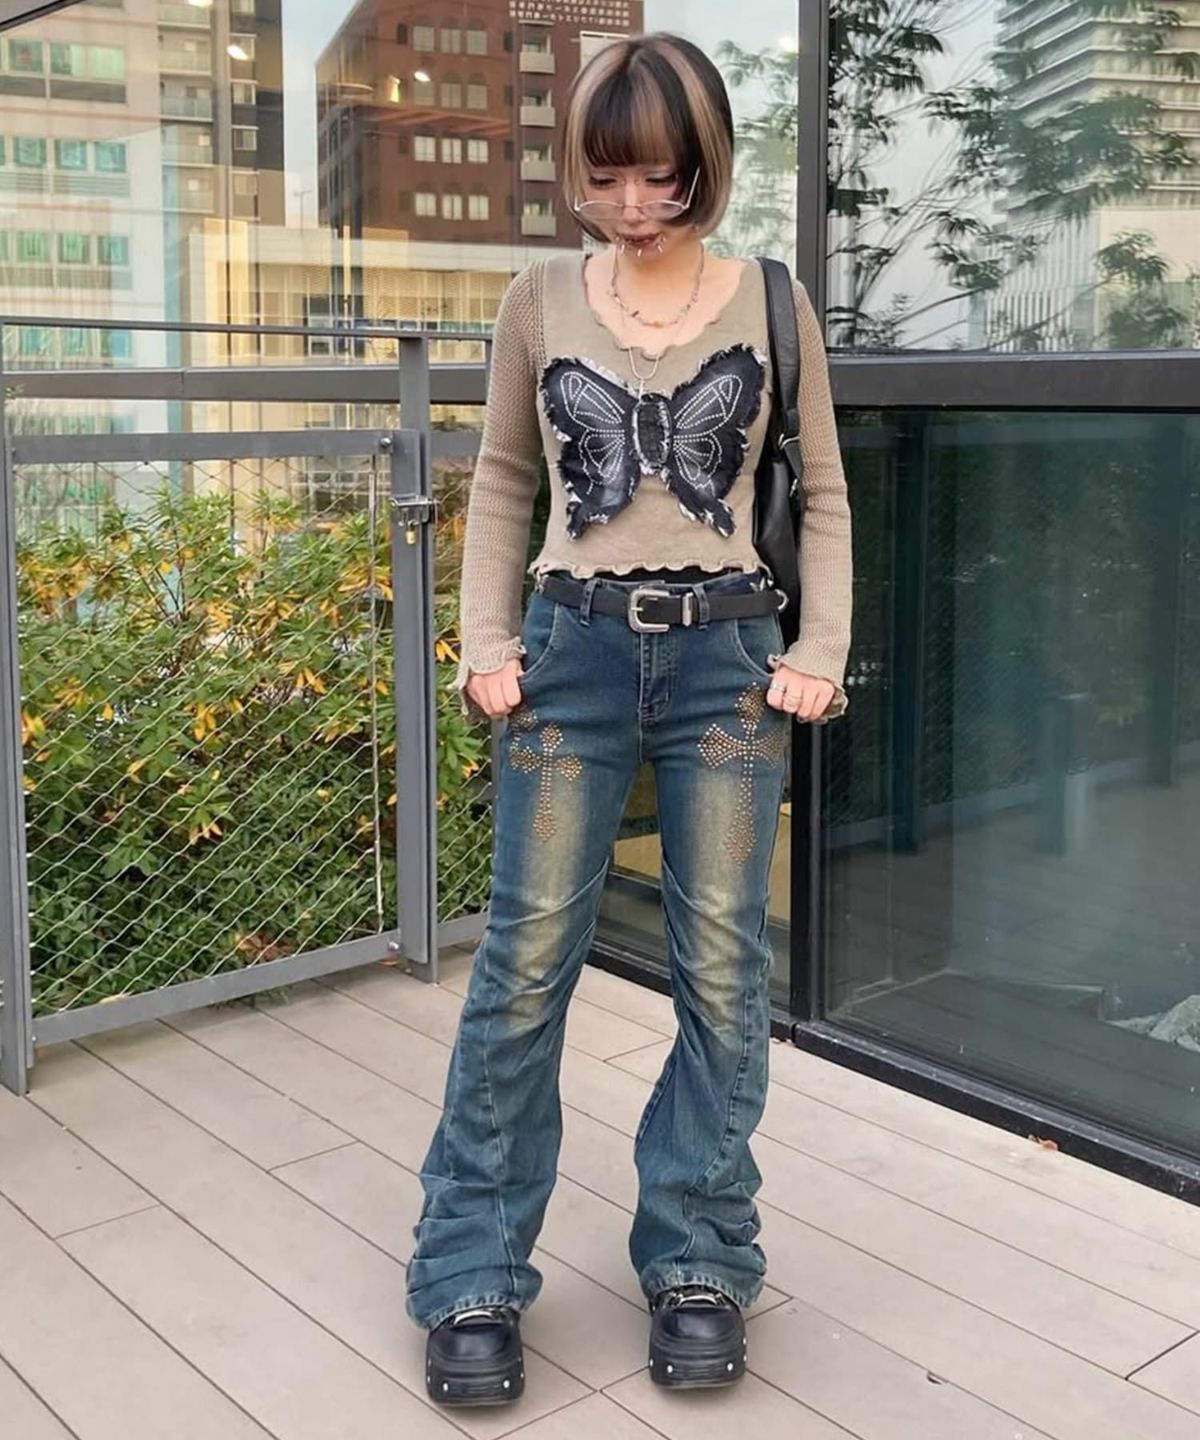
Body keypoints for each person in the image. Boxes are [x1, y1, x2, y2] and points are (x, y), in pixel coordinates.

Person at [405, 31, 852, 1408]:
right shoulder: (539, 299)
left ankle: (701, 1256)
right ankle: (471, 1268)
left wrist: (820, 647)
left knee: (721, 968)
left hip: (728, 663)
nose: (632, 205)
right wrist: (487, 642)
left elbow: (823, 491)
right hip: (572, 655)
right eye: (605, 179)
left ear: (705, 164)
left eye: (660, 176)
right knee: (526, 962)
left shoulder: (772, 300)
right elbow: (502, 480)